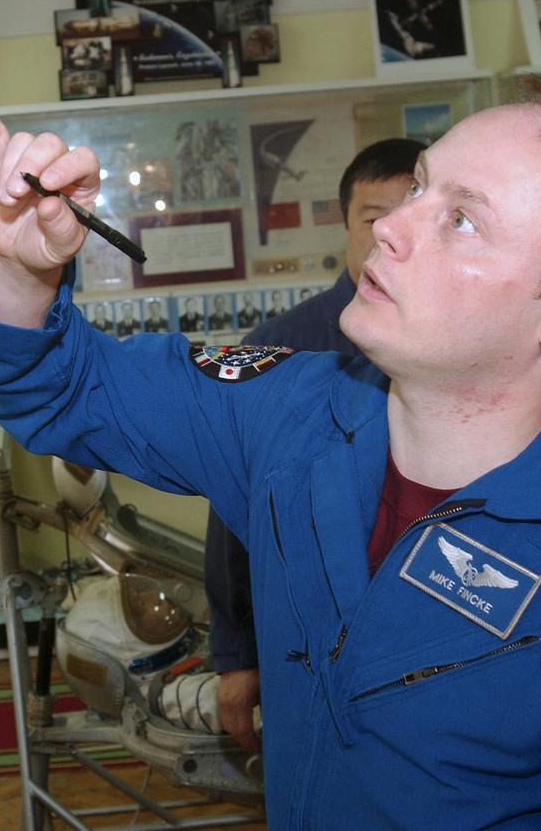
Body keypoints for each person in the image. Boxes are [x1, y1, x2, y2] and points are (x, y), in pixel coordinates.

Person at [0, 83, 541, 826]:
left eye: (461, 219)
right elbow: (53, 388)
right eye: (421, 185)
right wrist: (25, 268)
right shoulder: (288, 414)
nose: (390, 226)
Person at [205, 138, 424, 749]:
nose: (389, 233)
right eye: (372, 217)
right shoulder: (279, 348)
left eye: (412, 212)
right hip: (306, 644)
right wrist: (236, 653)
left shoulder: (468, 343)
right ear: (346, 224)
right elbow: (233, 511)